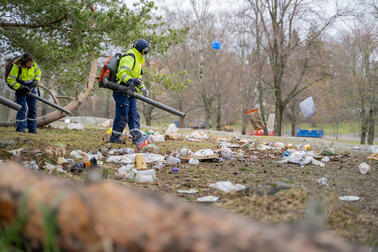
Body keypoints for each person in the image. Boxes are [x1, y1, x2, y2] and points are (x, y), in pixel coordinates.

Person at [109, 39, 150, 144]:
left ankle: (137, 137)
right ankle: (114, 139)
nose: (146, 53)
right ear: (141, 50)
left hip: (130, 90)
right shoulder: (129, 57)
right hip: (121, 89)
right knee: (123, 115)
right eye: (145, 51)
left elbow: (138, 77)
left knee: (134, 114)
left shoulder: (138, 60)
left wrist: (142, 88)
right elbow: (122, 73)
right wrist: (130, 80)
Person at [6, 53, 41, 133]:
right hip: (21, 89)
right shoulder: (17, 66)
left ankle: (32, 129)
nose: (31, 65)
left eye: (32, 63)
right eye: (29, 64)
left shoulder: (34, 64)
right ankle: (20, 129)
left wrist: (36, 80)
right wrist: (20, 87)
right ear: (24, 62)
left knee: (33, 109)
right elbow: (10, 80)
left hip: (31, 88)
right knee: (22, 109)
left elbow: (38, 73)